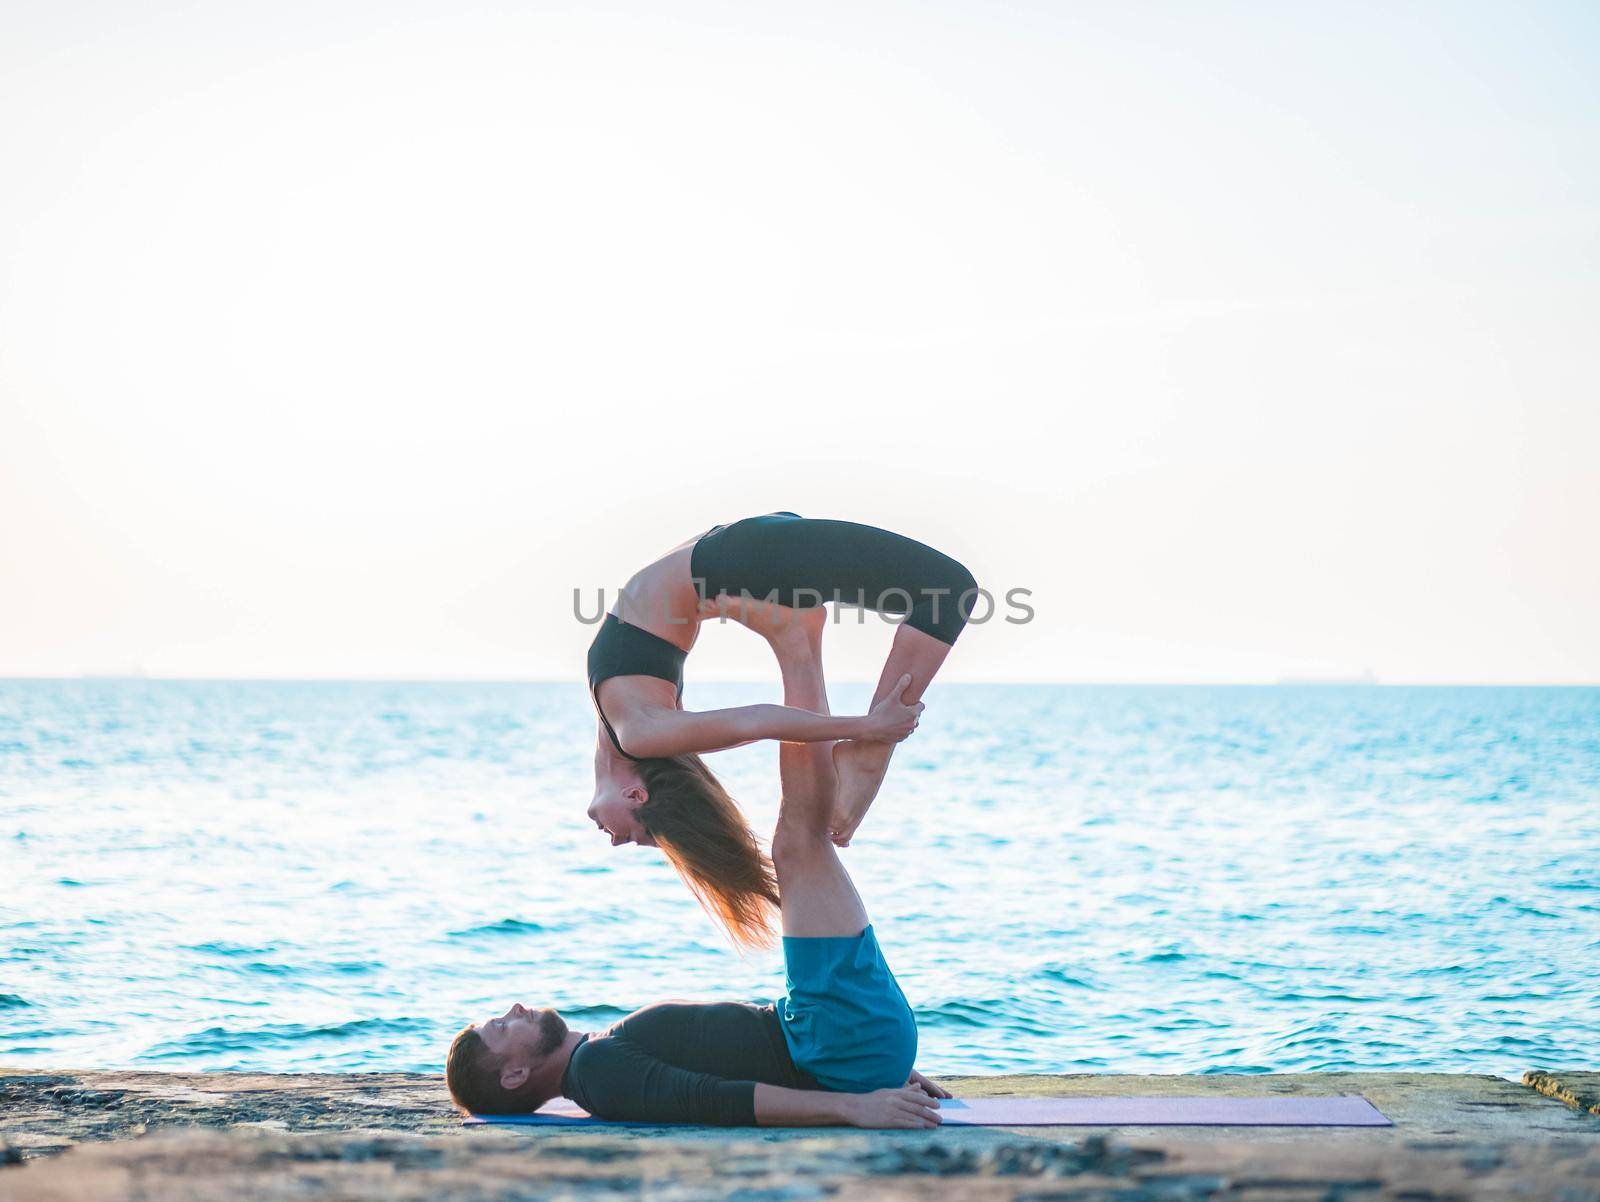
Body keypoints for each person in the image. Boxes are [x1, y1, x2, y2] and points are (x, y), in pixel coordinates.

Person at [449, 610, 949, 1127]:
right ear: (513, 1076)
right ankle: (803, 650)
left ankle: (807, 656)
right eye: (501, 1029)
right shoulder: (596, 1074)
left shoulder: (598, 1060)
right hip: (835, 1042)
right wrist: (852, 1103)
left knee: (800, 845)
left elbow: (737, 1060)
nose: (513, 1010)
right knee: (800, 844)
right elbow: (712, 1098)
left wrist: (873, 1072)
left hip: (835, 1043)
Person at [586, 512, 976, 945]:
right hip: (745, 556)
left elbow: (753, 721)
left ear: (635, 794)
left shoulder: (633, 731)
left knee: (948, 592)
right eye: (640, 837)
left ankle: (866, 753)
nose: (619, 843)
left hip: (743, 556)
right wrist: (868, 727)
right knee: (948, 592)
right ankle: (865, 756)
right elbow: (754, 721)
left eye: (643, 837)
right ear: (637, 795)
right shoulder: (638, 731)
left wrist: (869, 728)